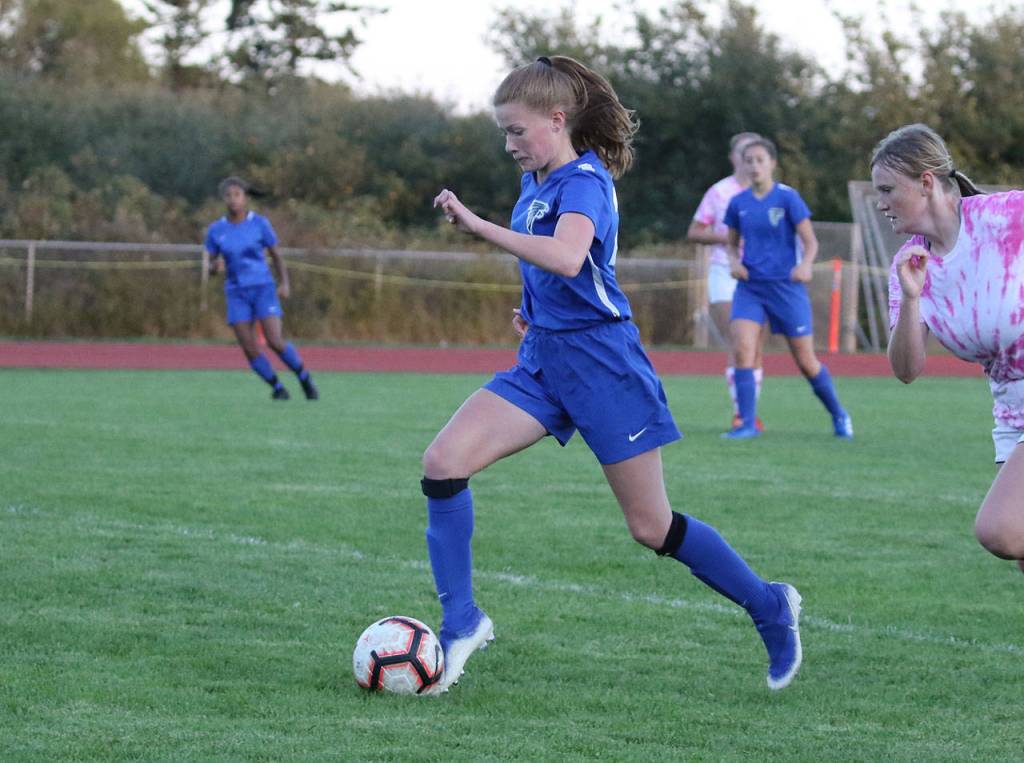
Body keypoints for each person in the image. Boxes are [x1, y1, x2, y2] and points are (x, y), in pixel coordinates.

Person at [424, 55, 803, 695]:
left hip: (604, 365)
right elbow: (561, 274)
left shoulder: (584, 182)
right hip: (544, 360)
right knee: (442, 463)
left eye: (517, 131)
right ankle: (462, 621)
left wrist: (478, 225)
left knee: (650, 527)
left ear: (556, 119)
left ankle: (770, 604)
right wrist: (535, 312)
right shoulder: (535, 184)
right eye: (503, 133)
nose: (509, 144)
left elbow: (571, 257)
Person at [878, 123, 1024, 571]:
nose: (881, 203)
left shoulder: (1010, 215)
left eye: (887, 189)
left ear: (926, 183)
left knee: (999, 529)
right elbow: (906, 369)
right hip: (1010, 413)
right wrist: (913, 296)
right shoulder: (910, 266)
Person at [722, 138, 852, 439]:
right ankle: (747, 424)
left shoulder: (788, 198)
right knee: (742, 349)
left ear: (772, 164)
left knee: (805, 361)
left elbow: (811, 242)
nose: (754, 166)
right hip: (750, 288)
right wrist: (733, 261)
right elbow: (730, 245)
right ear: (742, 164)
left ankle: (839, 414)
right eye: (748, 160)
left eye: (759, 160)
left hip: (786, 289)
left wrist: (805, 264)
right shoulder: (737, 203)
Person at [204, 176, 318, 401]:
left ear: (245, 198)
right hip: (236, 292)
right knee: (249, 347)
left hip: (263, 288)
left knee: (274, 340)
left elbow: (276, 256)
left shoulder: (260, 224)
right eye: (229, 195)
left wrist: (284, 282)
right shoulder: (216, 230)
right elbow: (209, 264)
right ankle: (277, 388)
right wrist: (214, 267)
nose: (233, 200)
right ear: (224, 199)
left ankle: (304, 377)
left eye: (237, 195)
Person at [688, 132, 767, 431]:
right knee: (739, 341)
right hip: (725, 273)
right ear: (734, 158)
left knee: (754, 346)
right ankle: (742, 415)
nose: (750, 159)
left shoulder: (777, 193)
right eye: (743, 153)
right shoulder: (720, 192)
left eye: (755, 153)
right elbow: (694, 231)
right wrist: (729, 237)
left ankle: (749, 412)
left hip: (763, 278)